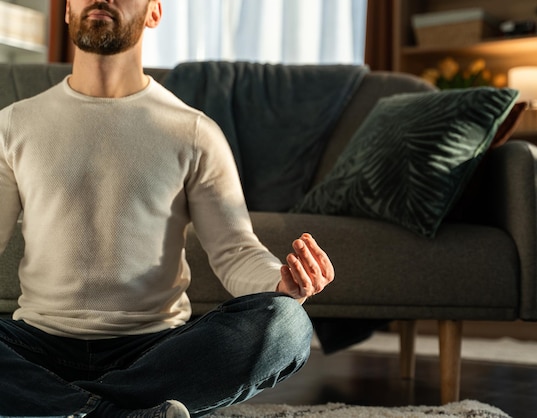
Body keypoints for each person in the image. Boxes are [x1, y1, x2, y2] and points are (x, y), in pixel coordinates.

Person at [0, 0, 334, 417]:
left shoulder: (193, 132)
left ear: (155, 12)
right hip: (38, 343)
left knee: (286, 325)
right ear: (68, 10)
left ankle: (55, 405)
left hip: (156, 350)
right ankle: (115, 412)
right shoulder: (14, 125)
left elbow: (235, 251)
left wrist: (282, 285)